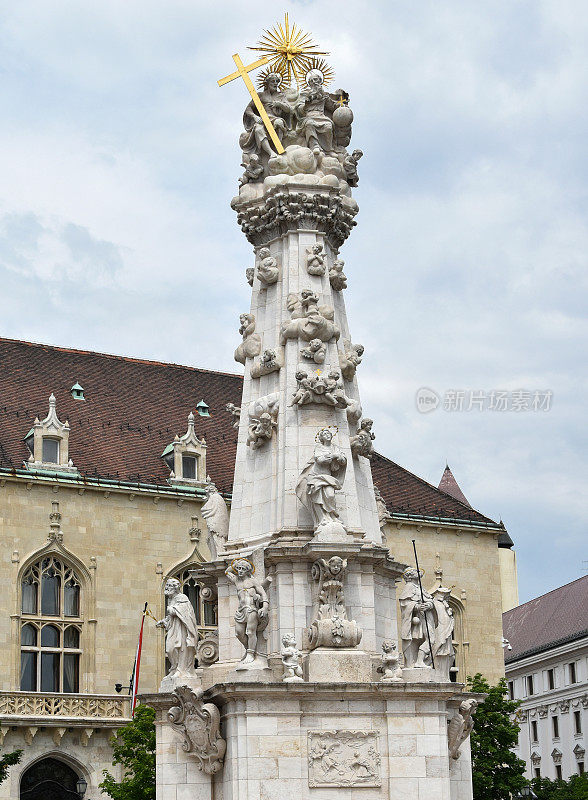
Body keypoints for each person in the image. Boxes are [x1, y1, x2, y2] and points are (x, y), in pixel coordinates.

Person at [296, 429, 347, 531]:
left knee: (330, 495)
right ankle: (322, 519)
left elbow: (343, 460)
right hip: (316, 475)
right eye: (324, 434)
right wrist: (333, 456)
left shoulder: (335, 448)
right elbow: (320, 460)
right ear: (321, 438)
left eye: (328, 433)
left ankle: (332, 517)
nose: (327, 435)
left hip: (327, 476)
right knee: (317, 497)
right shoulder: (319, 447)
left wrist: (340, 458)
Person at [225, 558, 269, 665]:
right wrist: (235, 564)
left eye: (242, 569)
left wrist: (264, 607)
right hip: (241, 611)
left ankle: (250, 654)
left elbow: (263, 594)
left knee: (250, 632)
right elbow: (227, 572)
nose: (240, 571)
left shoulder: (253, 581)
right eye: (238, 569)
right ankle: (249, 649)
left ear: (247, 571)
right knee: (239, 633)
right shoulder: (236, 580)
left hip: (251, 609)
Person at [156, 578, 198, 679]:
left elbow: (185, 612)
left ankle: (181, 670)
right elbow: (171, 618)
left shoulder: (182, 597)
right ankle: (174, 668)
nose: (167, 588)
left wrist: (173, 610)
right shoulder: (171, 599)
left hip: (182, 629)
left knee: (181, 648)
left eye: (169, 586)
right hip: (174, 629)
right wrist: (164, 621)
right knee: (170, 649)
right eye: (166, 586)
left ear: (175, 588)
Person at [399, 568, 436, 668]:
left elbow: (430, 600)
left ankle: (421, 661)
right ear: (410, 576)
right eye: (415, 571)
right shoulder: (409, 587)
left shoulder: (420, 588)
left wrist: (429, 605)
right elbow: (404, 603)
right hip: (417, 618)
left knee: (430, 639)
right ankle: (418, 661)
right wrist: (416, 606)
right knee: (430, 639)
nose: (419, 572)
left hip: (426, 616)